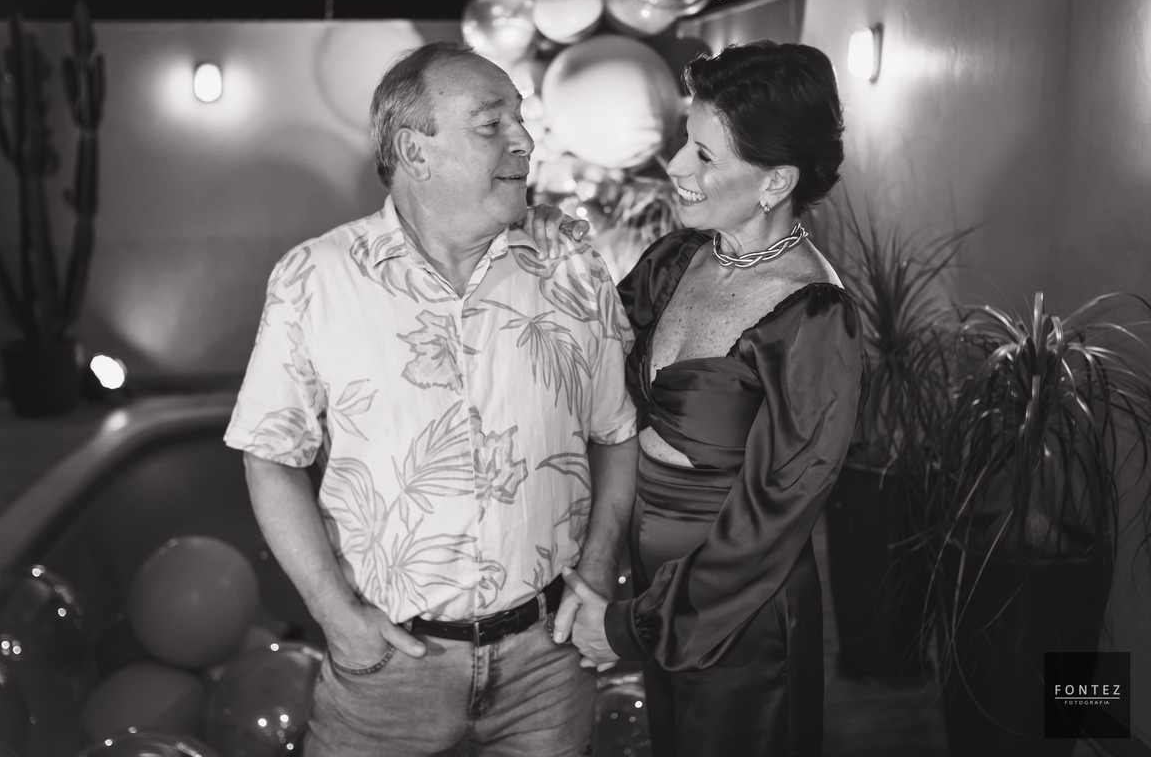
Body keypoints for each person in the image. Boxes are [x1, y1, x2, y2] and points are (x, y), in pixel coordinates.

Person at [224, 41, 639, 757]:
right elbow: (269, 456)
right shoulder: (315, 279)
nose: (524, 140)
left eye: (521, 119)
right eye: (491, 124)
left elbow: (616, 433)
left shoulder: (571, 264)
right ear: (415, 152)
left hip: (550, 661)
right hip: (388, 670)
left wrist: (598, 567)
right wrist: (336, 616)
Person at [547, 41, 864, 756]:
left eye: (703, 155)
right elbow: (588, 364)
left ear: (775, 181)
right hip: (651, 584)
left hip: (737, 608)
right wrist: (553, 260)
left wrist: (634, 624)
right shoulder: (676, 259)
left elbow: (774, 516)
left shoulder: (815, 317)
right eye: (682, 143)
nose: (674, 167)